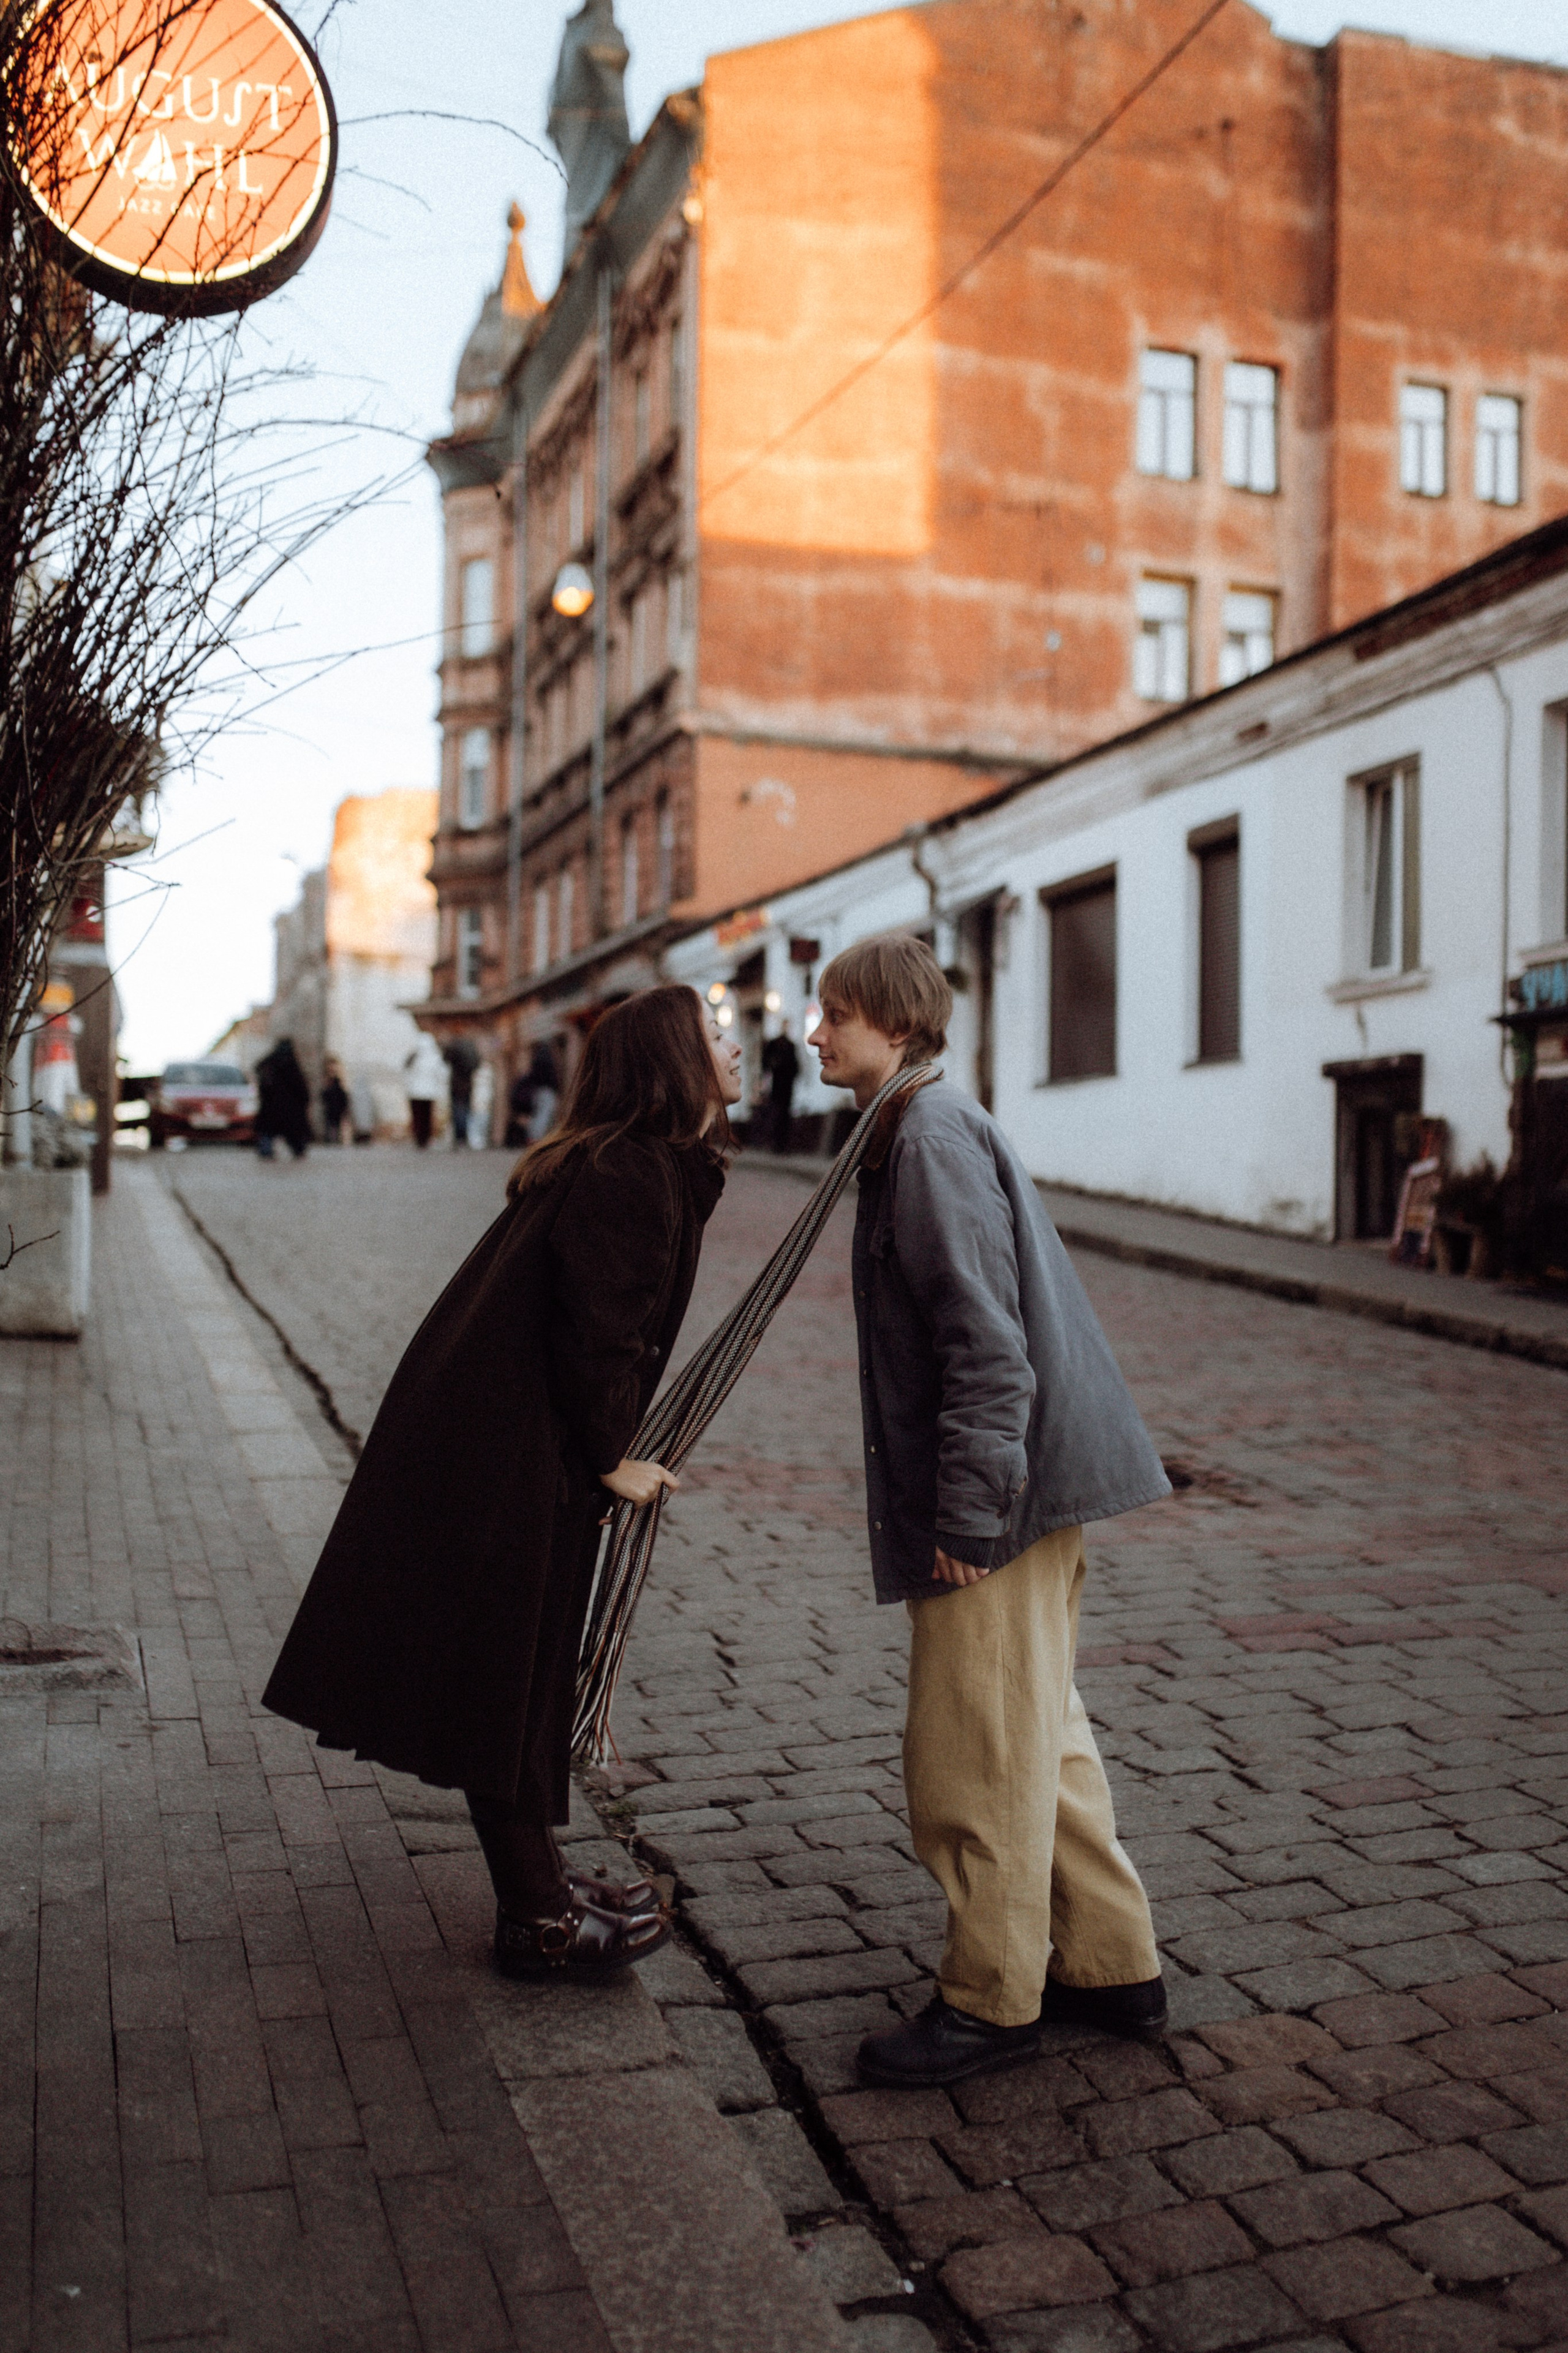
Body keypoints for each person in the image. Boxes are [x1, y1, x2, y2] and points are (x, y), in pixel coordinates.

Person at [262, 986, 744, 1983]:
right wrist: (612, 1455)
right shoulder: (631, 1169)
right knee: (504, 1684)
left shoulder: (634, 1158)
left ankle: (545, 1884)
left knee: (514, 1677)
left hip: (500, 1438)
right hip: (509, 1451)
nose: (734, 1043)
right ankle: (538, 1918)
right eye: (715, 1032)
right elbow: (598, 1332)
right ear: (672, 1059)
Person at [810, 933, 1172, 2088]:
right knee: (1040, 1735)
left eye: (834, 1014)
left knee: (972, 1754)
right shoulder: (919, 1125)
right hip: (1031, 1486)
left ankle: (992, 1999)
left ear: (893, 1023)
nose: (814, 1034)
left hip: (1000, 1503)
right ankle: (1111, 1966)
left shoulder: (927, 1137)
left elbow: (987, 1345)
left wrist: (968, 1518)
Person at [254, 1038, 311, 1161]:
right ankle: (297, 1150)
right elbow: (300, 1086)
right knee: (291, 1132)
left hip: (273, 1105)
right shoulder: (290, 1064)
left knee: (269, 1130)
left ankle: (267, 1151)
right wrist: (305, 1100)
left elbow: (259, 1070)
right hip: (288, 1106)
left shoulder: (270, 1062)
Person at [761, 1021, 800, 1154]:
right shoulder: (775, 1044)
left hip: (787, 1087)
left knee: (784, 1116)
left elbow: (795, 1066)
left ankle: (782, 1144)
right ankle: (774, 1143)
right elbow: (766, 1063)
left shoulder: (791, 1045)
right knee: (775, 1114)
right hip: (777, 1086)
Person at [403, 1033, 447, 1149]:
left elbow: (406, 1073)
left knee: (418, 1117)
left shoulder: (414, 1057)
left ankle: (420, 1138)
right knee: (426, 1117)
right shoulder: (435, 1057)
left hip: (416, 1093)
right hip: (428, 1093)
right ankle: (425, 1138)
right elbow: (442, 1074)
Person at [445, 1037, 478, 1148]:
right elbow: (477, 1063)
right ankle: (464, 1136)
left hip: (456, 1084)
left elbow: (446, 1059)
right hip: (468, 1083)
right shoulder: (471, 1048)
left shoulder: (454, 1047)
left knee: (458, 1110)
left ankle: (460, 1136)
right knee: (466, 1109)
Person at [319, 1060, 349, 1145]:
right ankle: (332, 1140)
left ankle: (333, 1140)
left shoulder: (336, 1085)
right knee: (332, 1127)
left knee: (333, 1126)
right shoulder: (331, 1085)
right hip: (333, 1110)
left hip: (335, 1110)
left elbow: (342, 1097)